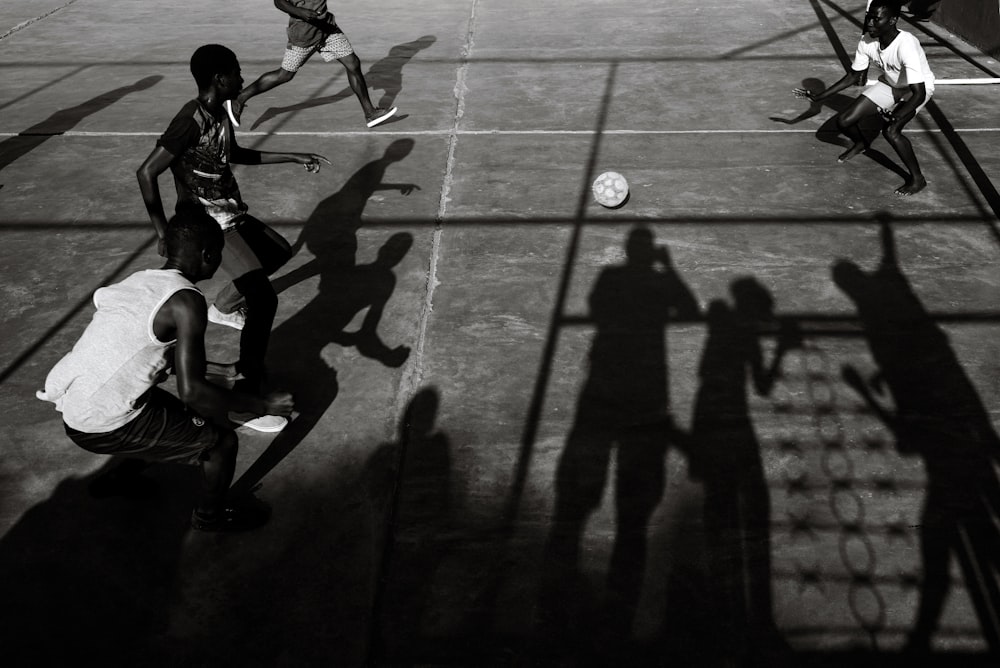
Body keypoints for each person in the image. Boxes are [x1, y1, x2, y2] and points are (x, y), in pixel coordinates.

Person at [36, 210, 296, 532]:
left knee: (177, 421)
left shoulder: (140, 282)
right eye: (218, 255)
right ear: (208, 255)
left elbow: (149, 352)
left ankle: (118, 478)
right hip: (101, 422)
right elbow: (192, 390)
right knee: (220, 444)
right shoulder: (187, 301)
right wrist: (263, 406)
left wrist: (224, 371)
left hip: (81, 402)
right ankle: (209, 517)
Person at [137, 44, 328, 431]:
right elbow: (146, 172)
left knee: (278, 251)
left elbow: (233, 154)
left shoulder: (221, 114)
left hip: (229, 211)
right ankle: (247, 399)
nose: (243, 79)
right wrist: (163, 233)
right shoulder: (189, 119)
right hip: (207, 223)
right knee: (264, 300)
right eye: (237, 73)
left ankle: (224, 305)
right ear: (219, 79)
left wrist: (291, 155)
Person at [793, 0, 934, 195]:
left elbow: (920, 93)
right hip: (890, 84)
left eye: (877, 19)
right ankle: (861, 143)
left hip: (916, 88)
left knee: (891, 130)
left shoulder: (906, 44)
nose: (869, 23)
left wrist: (897, 116)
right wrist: (820, 97)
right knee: (844, 121)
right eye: (869, 18)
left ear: (893, 20)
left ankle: (918, 180)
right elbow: (854, 76)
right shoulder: (867, 40)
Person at [228, 1, 396, 129]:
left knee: (352, 63)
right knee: (285, 75)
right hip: (304, 34)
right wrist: (299, 12)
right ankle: (239, 98)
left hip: (327, 28)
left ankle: (370, 113)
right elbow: (279, 1)